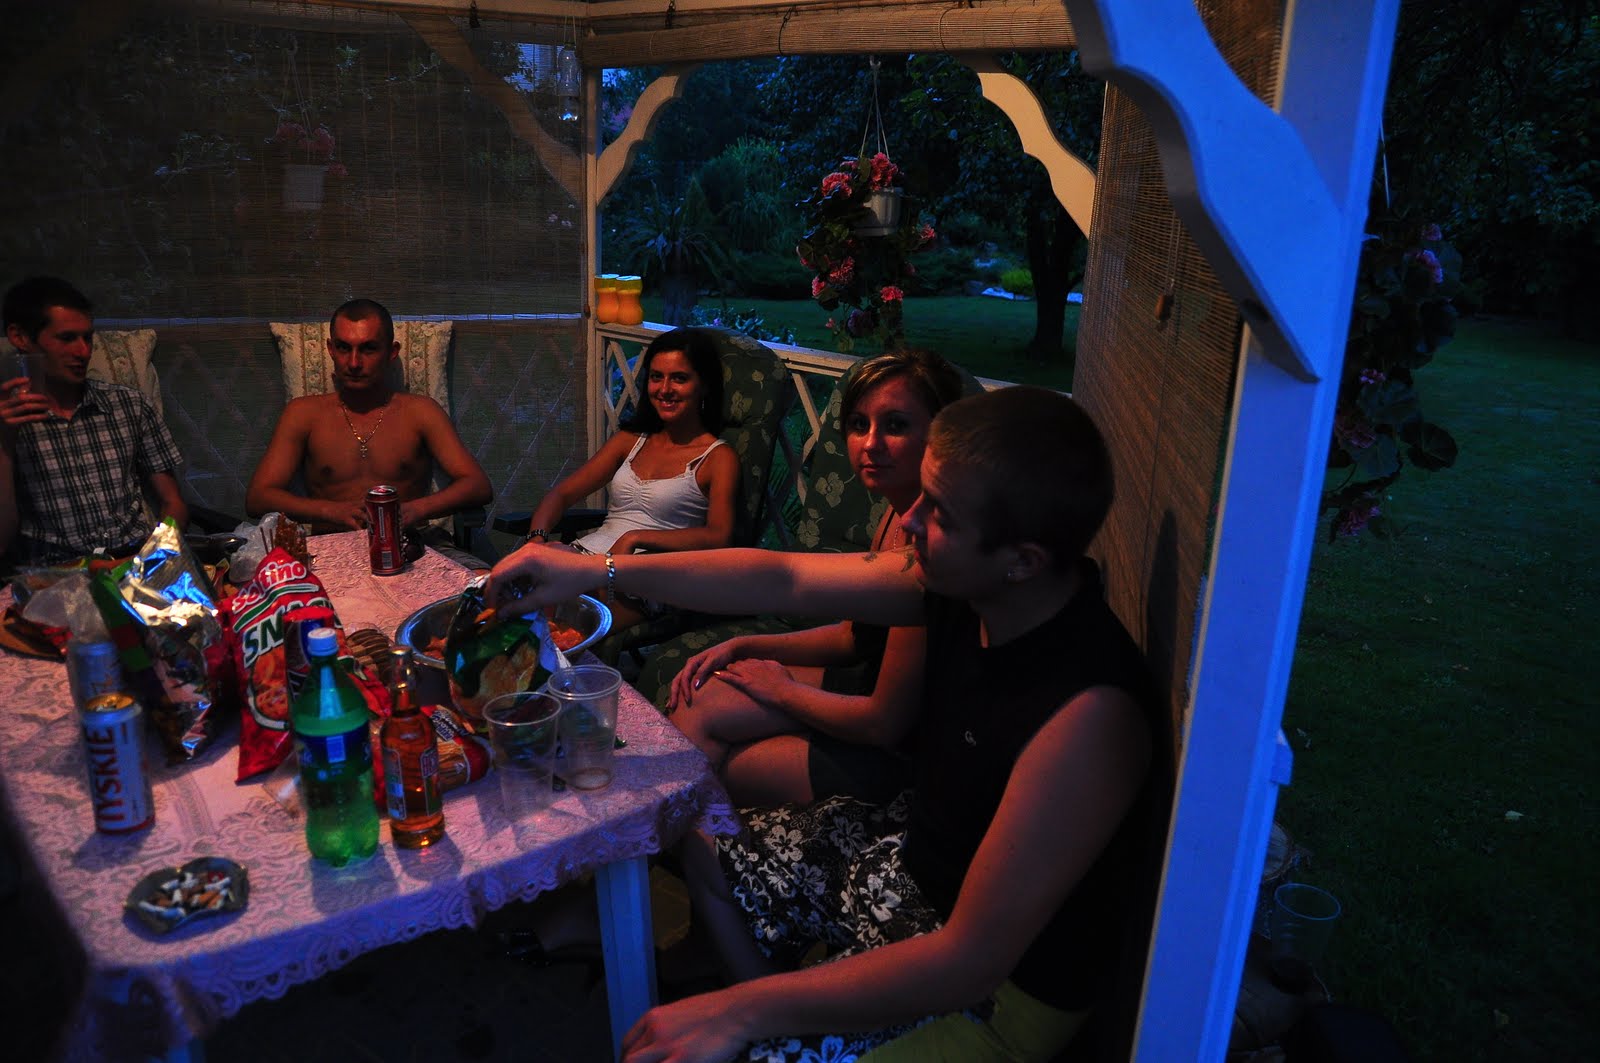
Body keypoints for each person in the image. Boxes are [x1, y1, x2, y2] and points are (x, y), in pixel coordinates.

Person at [485, 387, 1166, 1062]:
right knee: (705, 843)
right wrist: (588, 570)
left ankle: (760, 1031)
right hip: (909, 863)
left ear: (1023, 559)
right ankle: (767, 1023)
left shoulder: (1088, 716)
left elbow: (970, 961)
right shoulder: (971, 584)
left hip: (993, 998)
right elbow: (782, 577)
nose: (911, 522)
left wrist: (738, 1012)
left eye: (940, 513)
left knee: (717, 1039)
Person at [666, 349, 964, 807]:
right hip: (864, 687)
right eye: (859, 424)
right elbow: (852, 637)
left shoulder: (931, 545)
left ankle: (676, 842)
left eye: (896, 425)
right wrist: (745, 645)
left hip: (906, 747)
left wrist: (782, 691)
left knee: (705, 769)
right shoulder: (895, 510)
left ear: (940, 434)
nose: (871, 443)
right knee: (700, 699)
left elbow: (885, 722)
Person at [521, 327, 739, 629]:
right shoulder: (632, 440)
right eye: (656, 377)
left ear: (704, 386)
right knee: (514, 589)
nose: (664, 389)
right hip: (588, 558)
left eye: (679, 378)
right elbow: (563, 494)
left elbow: (719, 536)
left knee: (545, 615)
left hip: (645, 574)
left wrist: (635, 537)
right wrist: (536, 539)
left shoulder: (717, 457)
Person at [245, 298, 492, 546]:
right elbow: (258, 498)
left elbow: (478, 485)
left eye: (368, 349)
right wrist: (329, 511)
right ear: (330, 349)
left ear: (391, 352)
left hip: (411, 543)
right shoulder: (303, 413)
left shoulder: (421, 411)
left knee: (479, 572)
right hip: (332, 546)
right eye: (343, 348)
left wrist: (415, 510)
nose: (354, 363)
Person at [1, 276, 187, 567]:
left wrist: (154, 556)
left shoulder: (128, 404)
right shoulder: (8, 420)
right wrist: (4, 442)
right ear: (20, 337)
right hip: (55, 574)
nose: (83, 352)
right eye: (66, 338)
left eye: (87, 338)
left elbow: (172, 502)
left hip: (135, 559)